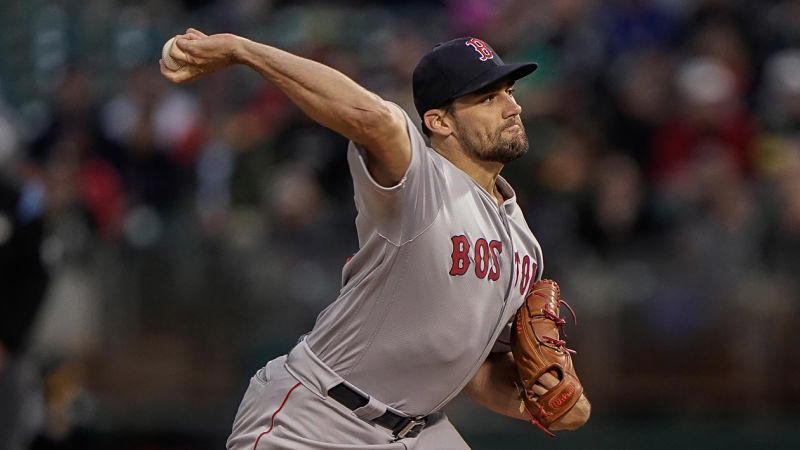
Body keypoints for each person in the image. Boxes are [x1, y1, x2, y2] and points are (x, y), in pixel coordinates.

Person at [160, 29, 590, 449]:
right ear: (439, 121)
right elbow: (372, 118)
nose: (512, 107)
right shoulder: (422, 181)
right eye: (488, 97)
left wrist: (540, 401)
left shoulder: (523, 241)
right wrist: (243, 50)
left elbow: (472, 371)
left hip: (418, 429)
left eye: (510, 91)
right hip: (319, 418)